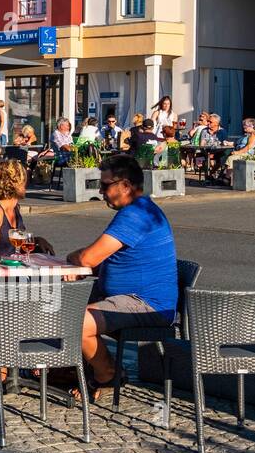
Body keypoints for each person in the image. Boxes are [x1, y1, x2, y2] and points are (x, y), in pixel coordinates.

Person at [66, 155, 178, 400]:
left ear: (125, 186)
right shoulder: (141, 209)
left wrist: (73, 259)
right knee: (60, 305)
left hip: (146, 304)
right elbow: (114, 259)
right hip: (126, 298)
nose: (100, 191)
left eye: (105, 185)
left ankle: (108, 374)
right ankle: (64, 369)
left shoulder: (136, 215)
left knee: (76, 321)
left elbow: (88, 258)